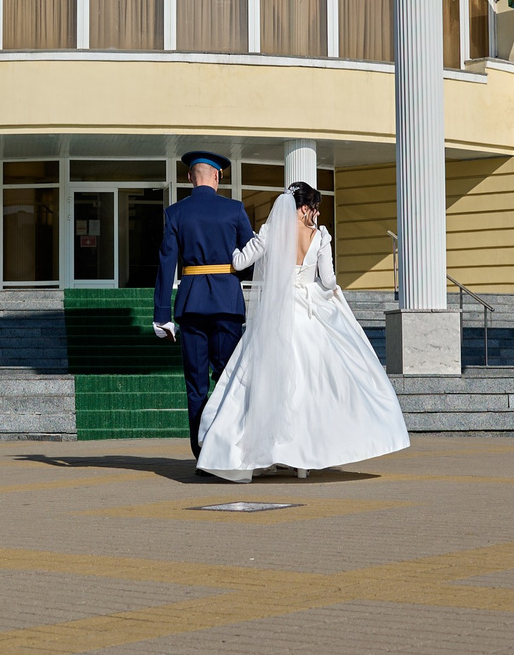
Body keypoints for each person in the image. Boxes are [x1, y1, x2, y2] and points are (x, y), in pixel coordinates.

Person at [195, 183, 409, 481]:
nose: (317, 214)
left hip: (276, 315)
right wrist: (331, 292)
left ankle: (259, 451)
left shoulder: (270, 232)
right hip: (308, 314)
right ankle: (302, 460)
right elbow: (328, 280)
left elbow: (240, 262)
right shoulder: (320, 236)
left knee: (265, 383)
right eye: (315, 208)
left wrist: (231, 248)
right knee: (313, 384)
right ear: (304, 207)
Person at [153, 151, 254, 459]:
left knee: (196, 385)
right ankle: (227, 451)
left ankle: (201, 452)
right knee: (228, 378)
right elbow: (250, 261)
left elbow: (166, 264)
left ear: (189, 178)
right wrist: (230, 274)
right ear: (217, 177)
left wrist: (161, 316)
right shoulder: (235, 210)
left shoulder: (175, 213)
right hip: (227, 305)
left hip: (191, 306)